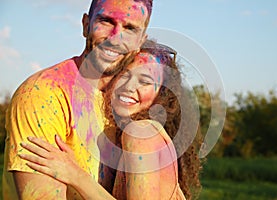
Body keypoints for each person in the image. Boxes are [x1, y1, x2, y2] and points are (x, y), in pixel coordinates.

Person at [3, 0, 153, 199]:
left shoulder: (132, 104)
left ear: (140, 41)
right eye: (106, 21)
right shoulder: (43, 95)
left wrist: (77, 177)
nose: (115, 38)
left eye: (130, 28)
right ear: (85, 25)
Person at [19, 41, 202, 199]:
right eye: (125, 75)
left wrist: (75, 175)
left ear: (161, 96)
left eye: (144, 81)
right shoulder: (147, 134)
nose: (129, 87)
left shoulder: (140, 134)